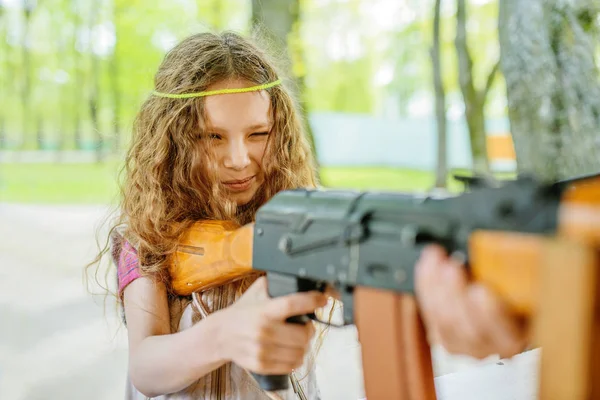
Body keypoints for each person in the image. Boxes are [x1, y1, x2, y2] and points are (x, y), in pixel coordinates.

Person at [90, 31, 527, 400]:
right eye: (213, 137)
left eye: (258, 134)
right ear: (174, 139)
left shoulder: (298, 215)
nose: (239, 158)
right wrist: (227, 332)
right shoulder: (149, 234)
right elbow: (145, 367)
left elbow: (375, 284)